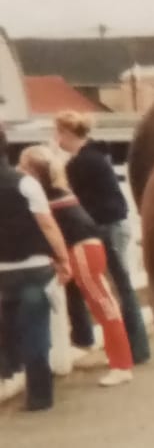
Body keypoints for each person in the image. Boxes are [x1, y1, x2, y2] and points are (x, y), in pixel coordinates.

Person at [18, 146, 134, 387]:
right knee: (105, 305)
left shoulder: (45, 196)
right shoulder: (57, 191)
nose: (18, 169)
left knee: (104, 307)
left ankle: (121, 365)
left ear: (33, 171)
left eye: (22, 165)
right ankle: (119, 360)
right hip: (87, 248)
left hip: (81, 250)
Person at [54, 110, 151, 365]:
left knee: (117, 289)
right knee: (121, 287)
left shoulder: (79, 164)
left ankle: (131, 348)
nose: (56, 139)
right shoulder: (97, 157)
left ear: (67, 133)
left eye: (58, 133)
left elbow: (75, 199)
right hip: (116, 223)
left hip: (104, 227)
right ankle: (135, 346)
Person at [0, 128, 71, 411]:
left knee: (7, 331)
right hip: (34, 267)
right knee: (35, 332)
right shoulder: (26, 183)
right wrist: (63, 259)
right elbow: (47, 224)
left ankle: (8, 375)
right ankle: (39, 396)